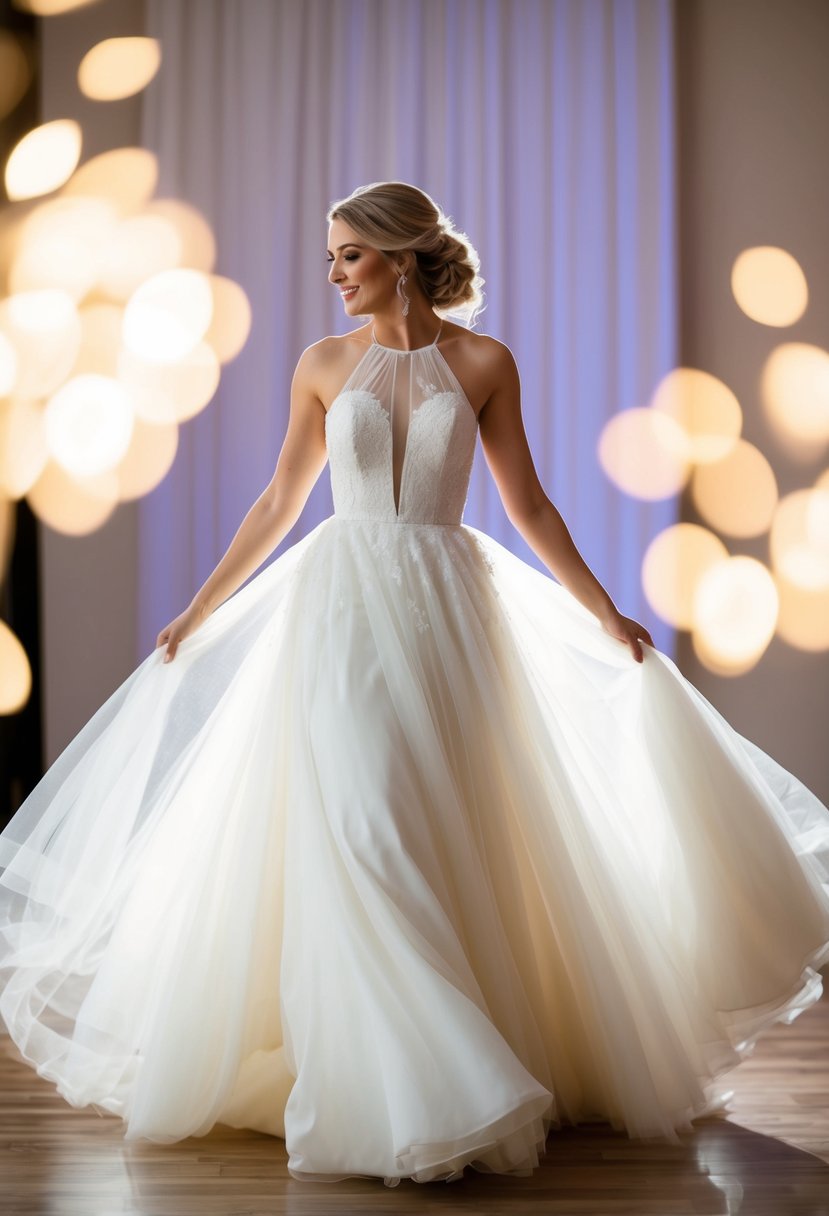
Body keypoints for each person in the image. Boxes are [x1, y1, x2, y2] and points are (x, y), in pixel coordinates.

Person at [1, 181, 828, 1190]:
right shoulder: (320, 365)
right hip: (340, 613)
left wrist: (603, 611)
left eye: (349, 253)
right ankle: (428, 1085)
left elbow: (527, 503)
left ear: (400, 256)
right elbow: (279, 500)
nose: (335, 273)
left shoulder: (483, 363)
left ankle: (454, 1065)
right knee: (361, 824)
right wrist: (204, 605)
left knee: (441, 829)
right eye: (332, 256)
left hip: (450, 615)